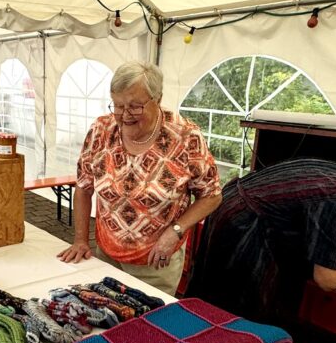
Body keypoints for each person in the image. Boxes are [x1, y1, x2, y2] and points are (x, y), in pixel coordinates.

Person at [186, 157, 336, 323]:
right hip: (245, 227)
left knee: (208, 297)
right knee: (229, 311)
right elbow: (327, 279)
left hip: (231, 207)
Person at [57, 61, 223, 294]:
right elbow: (84, 187)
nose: (125, 115)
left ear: (158, 98)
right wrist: (81, 240)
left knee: (148, 316)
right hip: (106, 254)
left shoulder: (185, 137)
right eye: (118, 105)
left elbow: (212, 195)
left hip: (156, 262)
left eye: (135, 107)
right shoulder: (101, 130)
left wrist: (175, 231)